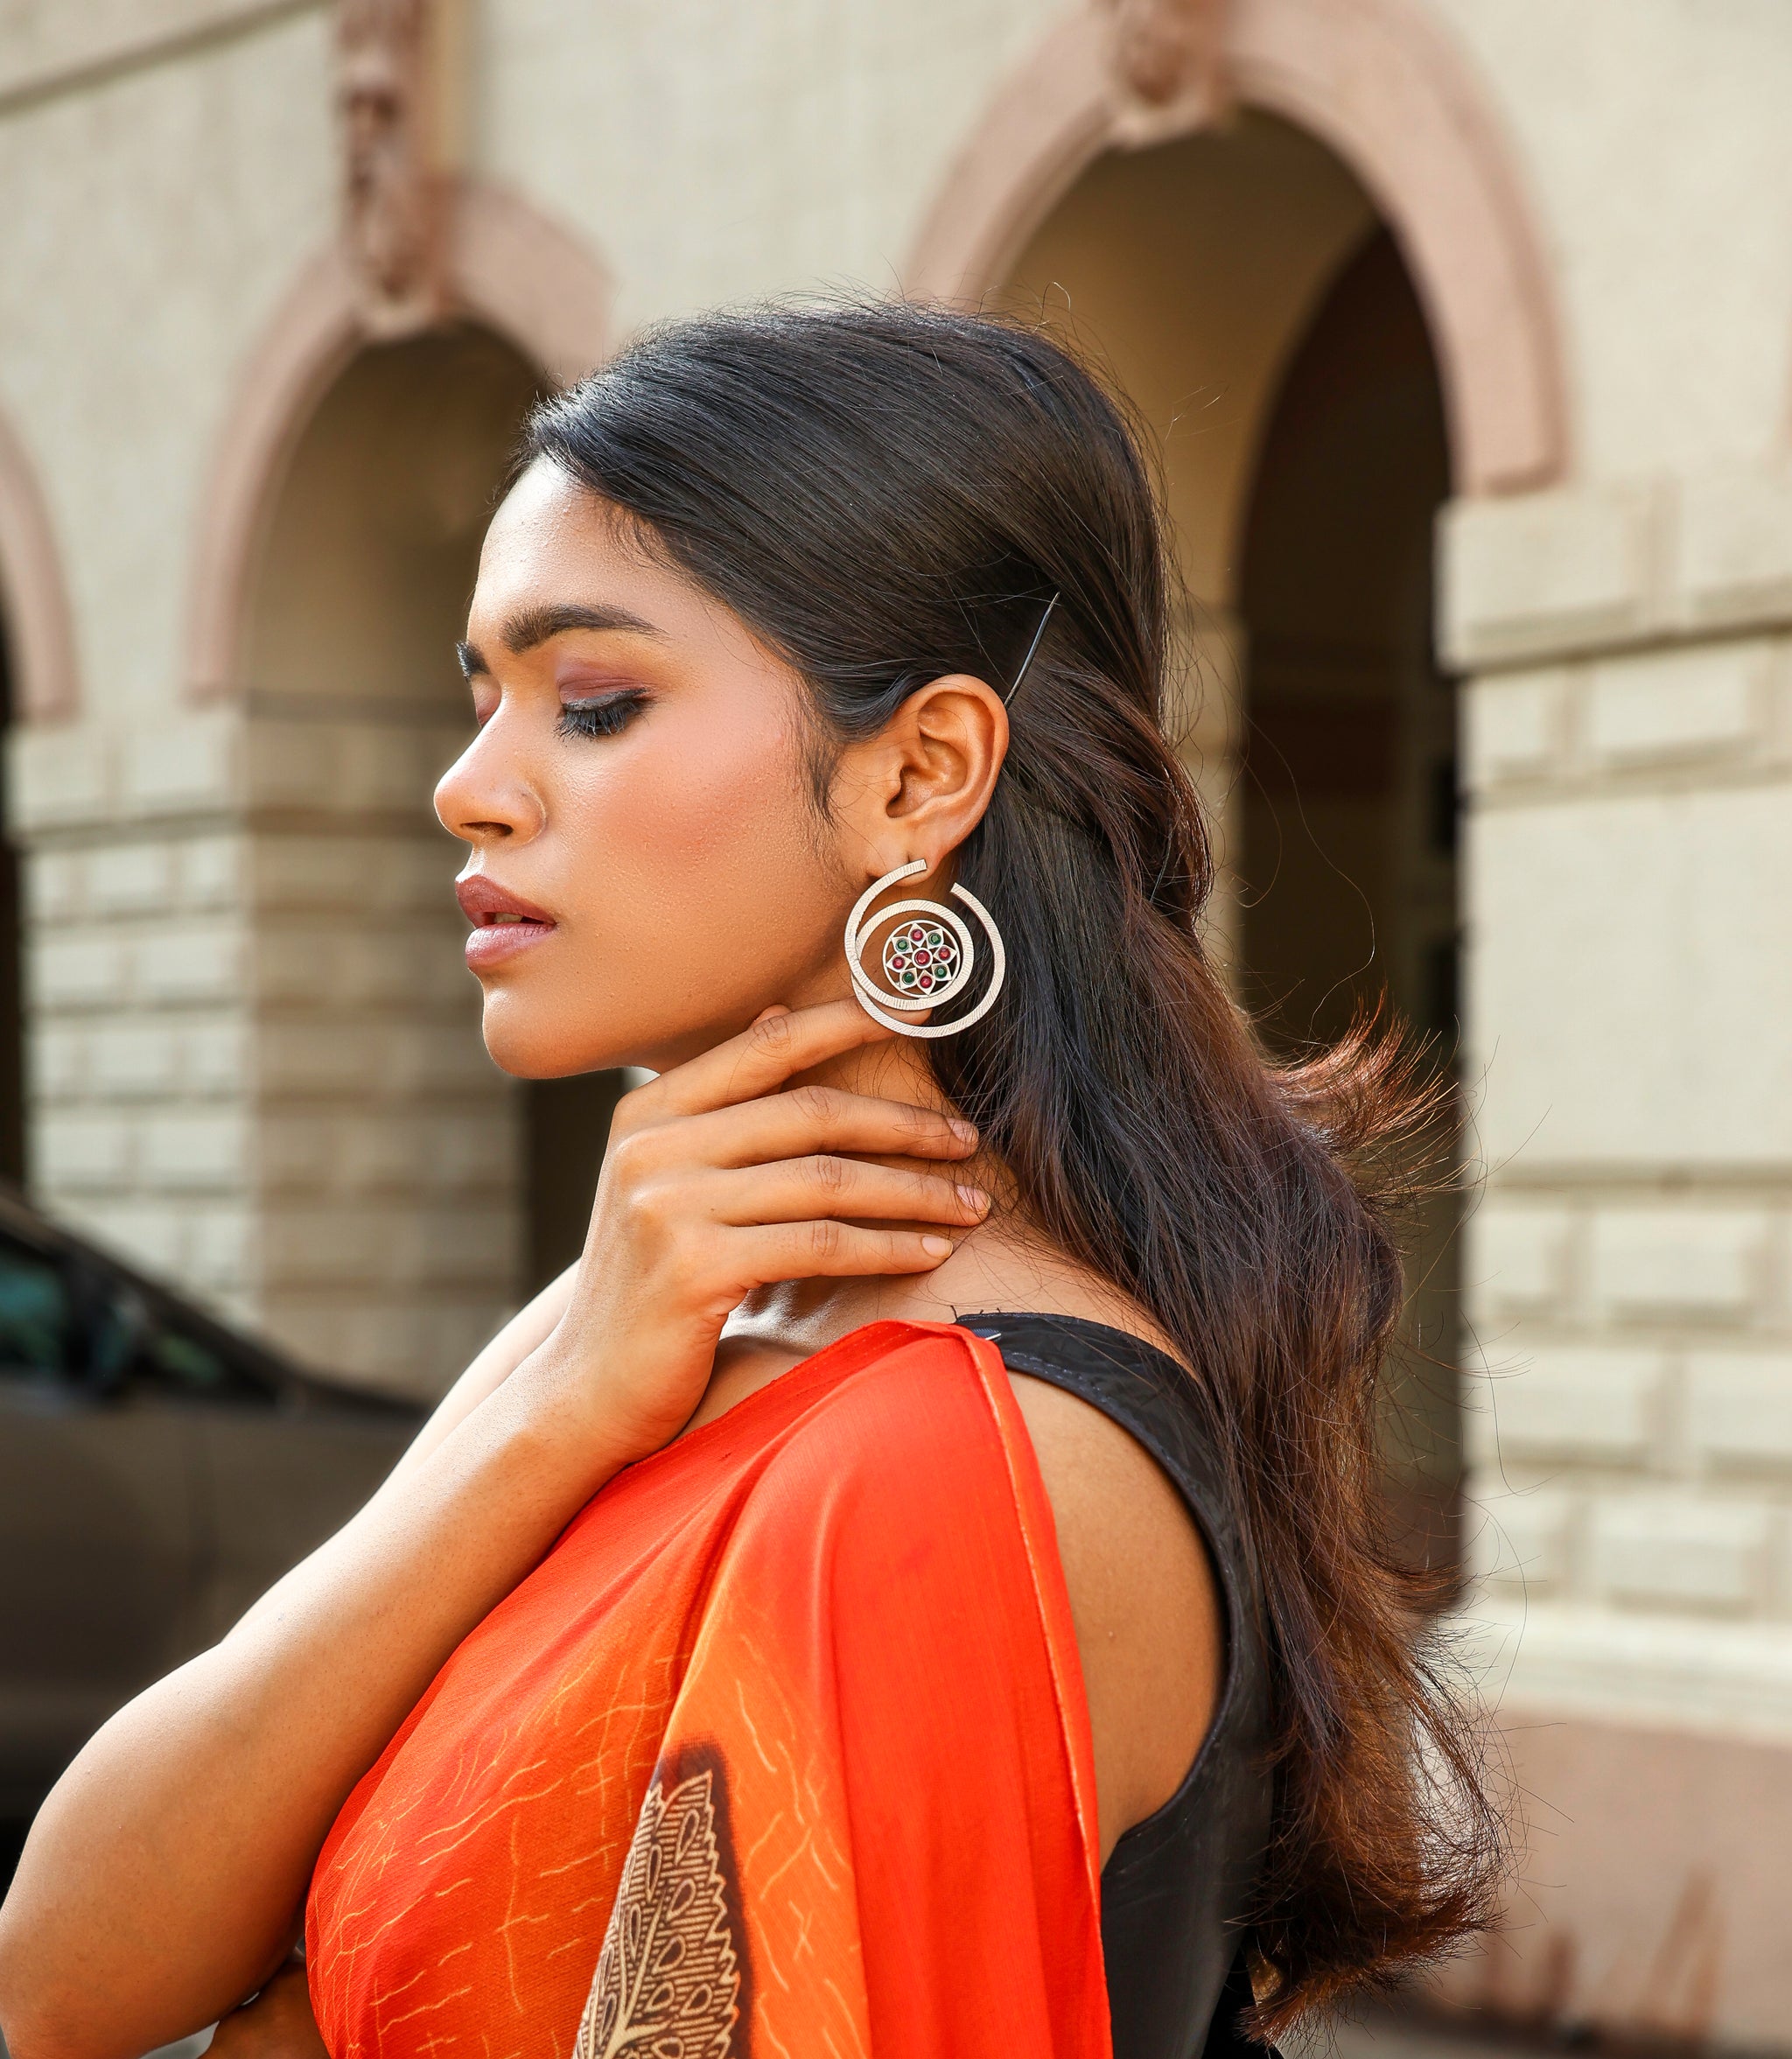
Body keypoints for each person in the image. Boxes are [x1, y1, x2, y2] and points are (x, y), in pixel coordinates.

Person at [0, 304, 1500, 2059]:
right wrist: (550, 1409)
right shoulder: (639, 1321)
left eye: (595, 702)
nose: (468, 789)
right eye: (480, 701)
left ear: (918, 773)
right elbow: (60, 1976)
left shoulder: (946, 1456)